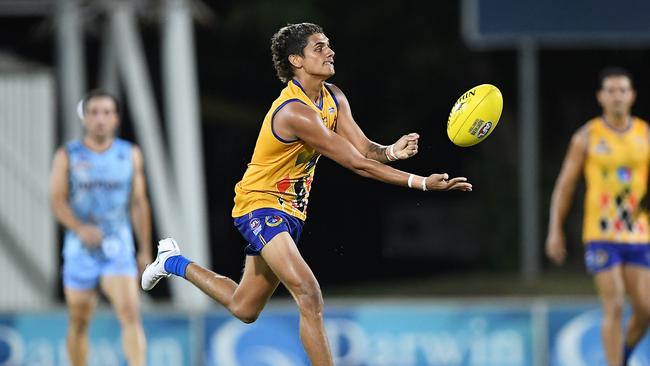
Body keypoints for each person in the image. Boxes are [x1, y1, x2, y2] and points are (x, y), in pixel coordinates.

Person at [141, 22, 472, 366]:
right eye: (319, 47)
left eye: (328, 45)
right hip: (259, 205)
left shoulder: (334, 97)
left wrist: (391, 151)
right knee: (308, 293)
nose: (330, 52)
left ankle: (172, 262)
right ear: (296, 60)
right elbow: (356, 165)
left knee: (244, 308)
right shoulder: (295, 112)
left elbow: (364, 150)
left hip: (292, 213)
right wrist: (420, 183)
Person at [546, 67, 650, 366]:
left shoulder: (645, 134)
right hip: (601, 234)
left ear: (632, 96)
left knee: (645, 310)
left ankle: (623, 356)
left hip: (639, 234)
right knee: (614, 303)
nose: (617, 96)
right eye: (611, 91)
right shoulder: (587, 136)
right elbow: (565, 186)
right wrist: (555, 228)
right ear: (600, 97)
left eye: (622, 90)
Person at [49, 90, 151, 366]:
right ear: (85, 119)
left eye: (106, 112)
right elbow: (57, 201)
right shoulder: (68, 155)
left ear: (116, 118)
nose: (100, 119)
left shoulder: (129, 154)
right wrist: (80, 228)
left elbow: (139, 204)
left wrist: (144, 249)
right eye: (94, 113)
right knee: (80, 319)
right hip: (80, 249)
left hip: (117, 245)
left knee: (130, 312)